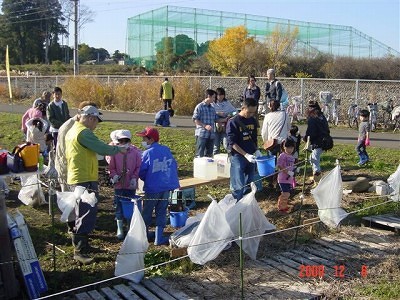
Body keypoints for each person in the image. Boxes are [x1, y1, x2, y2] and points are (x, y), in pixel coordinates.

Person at [65, 105, 126, 264]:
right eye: (96, 122)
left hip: (77, 175)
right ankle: (80, 250)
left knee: (81, 211)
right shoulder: (83, 133)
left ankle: (82, 245)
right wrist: (118, 150)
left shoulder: (73, 130)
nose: (96, 125)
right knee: (87, 213)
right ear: (91, 118)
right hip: (84, 177)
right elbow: (100, 147)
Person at [136, 127, 180, 245]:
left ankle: (143, 235)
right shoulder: (165, 149)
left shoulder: (147, 153)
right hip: (166, 186)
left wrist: (145, 179)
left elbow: (142, 172)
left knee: (147, 211)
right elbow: (173, 165)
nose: (143, 141)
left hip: (153, 188)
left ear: (150, 139)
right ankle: (158, 238)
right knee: (161, 211)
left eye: (144, 138)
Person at [55, 101, 98, 193]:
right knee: (70, 201)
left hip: (81, 170)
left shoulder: (85, 125)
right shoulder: (68, 127)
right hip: (68, 169)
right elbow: (65, 152)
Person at [107, 130, 142, 240]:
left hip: (130, 184)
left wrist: (134, 177)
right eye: (121, 141)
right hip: (119, 185)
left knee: (130, 205)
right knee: (118, 205)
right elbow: (111, 168)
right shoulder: (115, 153)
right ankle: (120, 228)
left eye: (125, 140)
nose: (123, 143)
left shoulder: (135, 152)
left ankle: (129, 226)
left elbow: (138, 167)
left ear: (129, 141)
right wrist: (114, 175)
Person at [226, 97, 261, 201]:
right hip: (238, 156)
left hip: (251, 155)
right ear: (243, 108)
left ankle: (246, 204)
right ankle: (237, 206)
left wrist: (256, 150)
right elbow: (232, 143)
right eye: (249, 112)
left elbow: (254, 138)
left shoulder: (253, 121)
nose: (251, 115)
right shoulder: (233, 122)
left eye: (253, 113)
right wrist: (245, 154)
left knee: (250, 182)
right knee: (238, 184)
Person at [261, 99, 290, 187]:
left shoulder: (267, 116)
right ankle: (281, 181)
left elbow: (264, 132)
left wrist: (265, 141)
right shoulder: (285, 114)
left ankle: (271, 181)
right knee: (283, 162)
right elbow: (289, 127)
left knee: (272, 163)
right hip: (283, 142)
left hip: (272, 142)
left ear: (269, 106)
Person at [303, 101, 330, 185]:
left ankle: (317, 182)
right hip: (325, 140)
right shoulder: (321, 116)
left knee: (314, 161)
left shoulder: (313, 118)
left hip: (318, 142)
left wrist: (305, 138)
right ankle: (316, 176)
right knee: (312, 158)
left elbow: (311, 132)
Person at [192, 89, 218, 157]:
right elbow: (195, 119)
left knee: (209, 155)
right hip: (202, 134)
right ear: (209, 96)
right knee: (199, 154)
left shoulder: (212, 108)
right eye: (213, 97)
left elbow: (216, 119)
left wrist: (226, 119)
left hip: (211, 134)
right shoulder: (199, 106)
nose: (214, 99)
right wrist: (205, 126)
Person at [211, 87, 237, 155]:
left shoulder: (227, 103)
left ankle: (230, 158)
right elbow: (210, 113)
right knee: (216, 146)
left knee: (226, 145)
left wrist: (229, 115)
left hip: (225, 127)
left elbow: (235, 112)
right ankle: (215, 159)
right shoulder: (213, 103)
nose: (220, 97)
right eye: (219, 95)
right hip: (215, 127)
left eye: (222, 95)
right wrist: (218, 113)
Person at [277, 138, 296, 212]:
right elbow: (279, 166)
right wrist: (287, 172)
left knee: (286, 193)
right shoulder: (282, 155)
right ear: (284, 147)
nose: (290, 149)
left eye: (291, 148)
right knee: (286, 193)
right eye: (288, 147)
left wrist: (295, 169)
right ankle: (282, 208)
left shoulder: (291, 156)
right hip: (283, 179)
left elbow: (291, 166)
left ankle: (283, 204)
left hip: (289, 179)